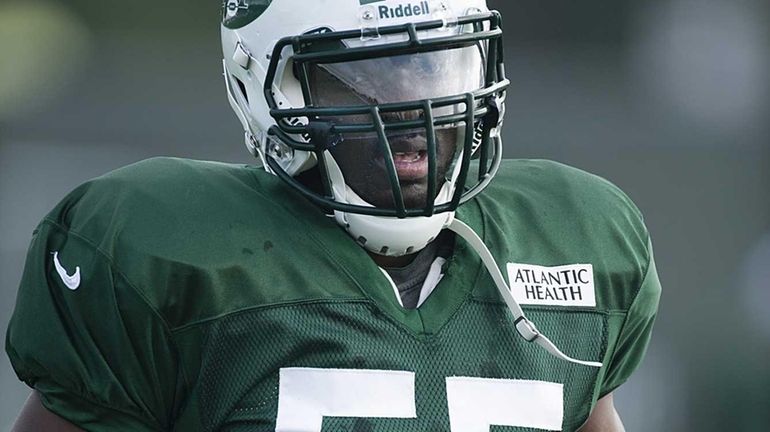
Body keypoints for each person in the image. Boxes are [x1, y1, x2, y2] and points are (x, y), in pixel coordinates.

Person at [6, 0, 661, 430]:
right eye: (365, 79)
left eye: (433, 69)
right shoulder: (163, 252)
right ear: (258, 83)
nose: (413, 110)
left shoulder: (577, 237)